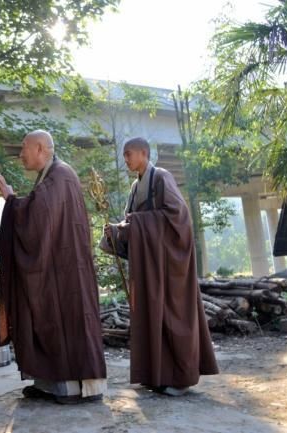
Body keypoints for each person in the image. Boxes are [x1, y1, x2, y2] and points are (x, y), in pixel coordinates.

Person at [0, 130, 107, 404]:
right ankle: (49, 383)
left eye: (24, 148)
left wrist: (12, 201)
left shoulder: (61, 175)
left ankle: (74, 388)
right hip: (56, 268)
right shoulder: (51, 176)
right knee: (48, 319)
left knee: (65, 322)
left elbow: (37, 217)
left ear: (41, 149)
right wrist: (14, 203)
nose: (21, 154)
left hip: (67, 274)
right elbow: (40, 216)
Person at [104, 137, 218, 396]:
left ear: (144, 153)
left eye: (128, 154)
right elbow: (133, 224)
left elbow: (178, 218)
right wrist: (117, 231)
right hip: (147, 267)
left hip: (168, 265)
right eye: (124, 155)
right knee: (149, 317)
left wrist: (135, 224)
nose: (126, 160)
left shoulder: (161, 178)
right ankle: (155, 376)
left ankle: (180, 379)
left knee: (171, 316)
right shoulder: (136, 187)